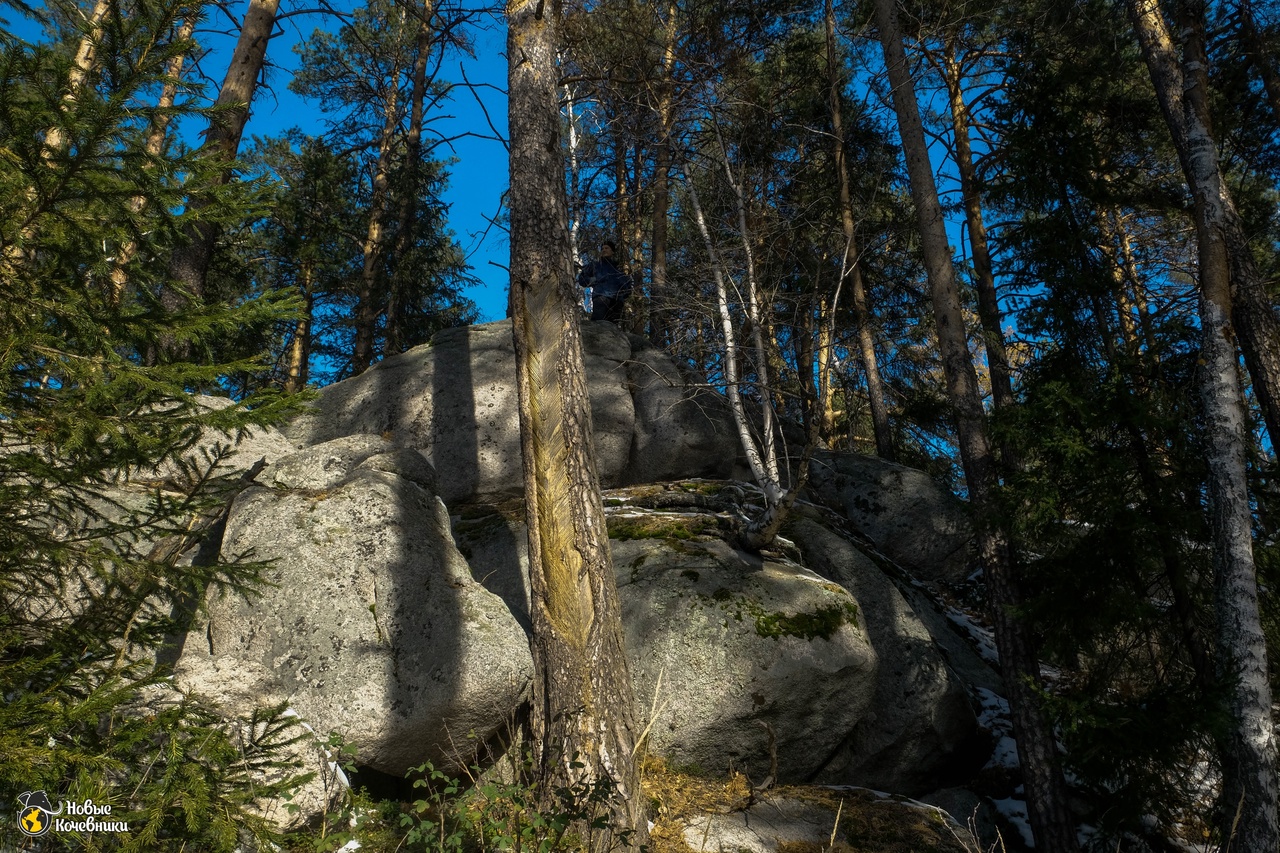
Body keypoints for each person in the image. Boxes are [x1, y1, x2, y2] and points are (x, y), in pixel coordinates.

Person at [577, 241, 632, 323]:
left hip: (616, 302)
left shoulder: (618, 271)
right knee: (597, 324)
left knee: (613, 329)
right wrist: (593, 280)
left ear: (612, 251)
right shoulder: (595, 265)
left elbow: (627, 288)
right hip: (601, 297)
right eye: (602, 249)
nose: (604, 250)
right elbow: (582, 279)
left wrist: (622, 295)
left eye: (607, 248)